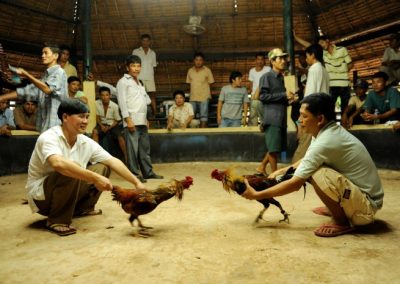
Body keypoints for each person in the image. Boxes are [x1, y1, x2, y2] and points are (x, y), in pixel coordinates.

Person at [242, 93, 384, 238]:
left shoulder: (326, 141)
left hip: (365, 210)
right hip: (362, 198)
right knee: (312, 167)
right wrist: (282, 170)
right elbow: (307, 159)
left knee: (317, 173)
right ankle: (338, 208)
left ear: (320, 119)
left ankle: (341, 222)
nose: (299, 120)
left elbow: (295, 184)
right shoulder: (324, 132)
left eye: (304, 116)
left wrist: (256, 195)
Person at [26, 99, 145, 236]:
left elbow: (112, 161)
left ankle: (83, 208)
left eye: (87, 117)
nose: (85, 121)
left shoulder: (84, 140)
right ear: (65, 117)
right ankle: (57, 220)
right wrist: (95, 178)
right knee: (70, 169)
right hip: (43, 199)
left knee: (102, 167)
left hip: (67, 191)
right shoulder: (48, 137)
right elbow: (58, 164)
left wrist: (137, 183)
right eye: (81, 116)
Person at [0, 43, 68, 132]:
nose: (42, 55)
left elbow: (48, 89)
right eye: (42, 53)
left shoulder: (59, 72)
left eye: (46, 53)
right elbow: (25, 91)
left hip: (56, 129)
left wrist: (26, 74)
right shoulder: (44, 77)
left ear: (55, 56)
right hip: (45, 129)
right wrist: (2, 97)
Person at [117, 55, 163, 183]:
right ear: (127, 67)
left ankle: (148, 172)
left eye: (138, 66)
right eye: (133, 66)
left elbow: (145, 100)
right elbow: (122, 102)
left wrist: (146, 118)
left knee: (144, 149)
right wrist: (128, 119)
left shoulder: (139, 82)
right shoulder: (123, 82)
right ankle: (134, 175)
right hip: (131, 121)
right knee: (132, 150)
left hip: (142, 120)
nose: (136, 69)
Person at [293, 32, 353, 116]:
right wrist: (296, 38)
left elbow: (350, 64)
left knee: (343, 111)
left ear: (327, 41)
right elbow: (310, 46)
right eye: (319, 44)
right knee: (334, 111)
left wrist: (340, 72)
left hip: (344, 84)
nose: (321, 45)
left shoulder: (342, 49)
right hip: (332, 85)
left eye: (322, 42)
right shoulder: (323, 54)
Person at [256, 48, 294, 175]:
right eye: (280, 58)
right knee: (273, 149)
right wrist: (283, 95)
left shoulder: (280, 78)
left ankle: (261, 167)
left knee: (275, 147)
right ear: (272, 61)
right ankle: (274, 175)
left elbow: (277, 97)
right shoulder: (266, 77)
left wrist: (289, 100)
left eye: (284, 58)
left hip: (280, 117)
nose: (283, 61)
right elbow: (262, 97)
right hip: (272, 117)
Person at [292, 44, 330, 162]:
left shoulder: (313, 69)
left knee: (304, 143)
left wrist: (301, 116)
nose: (306, 59)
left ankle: (292, 173)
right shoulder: (324, 70)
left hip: (312, 112)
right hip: (322, 112)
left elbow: (310, 95)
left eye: (307, 56)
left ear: (312, 55)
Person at [92, 86, 127, 164]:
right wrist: (101, 126)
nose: (105, 97)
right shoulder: (96, 103)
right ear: (100, 96)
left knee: (120, 136)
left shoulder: (114, 105)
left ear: (110, 95)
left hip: (112, 125)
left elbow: (117, 120)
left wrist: (109, 127)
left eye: (106, 95)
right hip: (101, 124)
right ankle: (96, 157)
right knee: (94, 132)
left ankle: (126, 158)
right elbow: (97, 117)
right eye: (103, 95)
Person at [186, 52, 215, 128]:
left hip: (204, 97)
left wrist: (210, 95)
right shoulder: (190, 71)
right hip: (193, 97)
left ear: (203, 61)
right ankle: (192, 134)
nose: (198, 62)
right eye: (196, 60)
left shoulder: (207, 70)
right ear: (194, 61)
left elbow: (211, 83)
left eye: (200, 60)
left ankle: (203, 134)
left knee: (204, 116)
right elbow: (189, 84)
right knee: (191, 116)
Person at [132, 34, 157, 117]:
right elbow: (132, 65)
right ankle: (138, 115)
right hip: (139, 78)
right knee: (139, 97)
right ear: (141, 41)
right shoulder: (135, 51)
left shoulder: (153, 53)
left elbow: (154, 66)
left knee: (152, 96)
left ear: (149, 42)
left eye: (147, 41)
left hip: (150, 78)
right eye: (143, 40)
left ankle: (154, 116)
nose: (145, 42)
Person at [248, 53, 271, 126]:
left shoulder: (268, 69)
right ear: (255, 60)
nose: (260, 61)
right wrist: (252, 93)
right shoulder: (252, 71)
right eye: (258, 59)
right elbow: (251, 84)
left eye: (262, 59)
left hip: (264, 95)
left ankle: (265, 129)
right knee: (253, 116)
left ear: (264, 61)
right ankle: (253, 131)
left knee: (264, 115)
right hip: (254, 96)